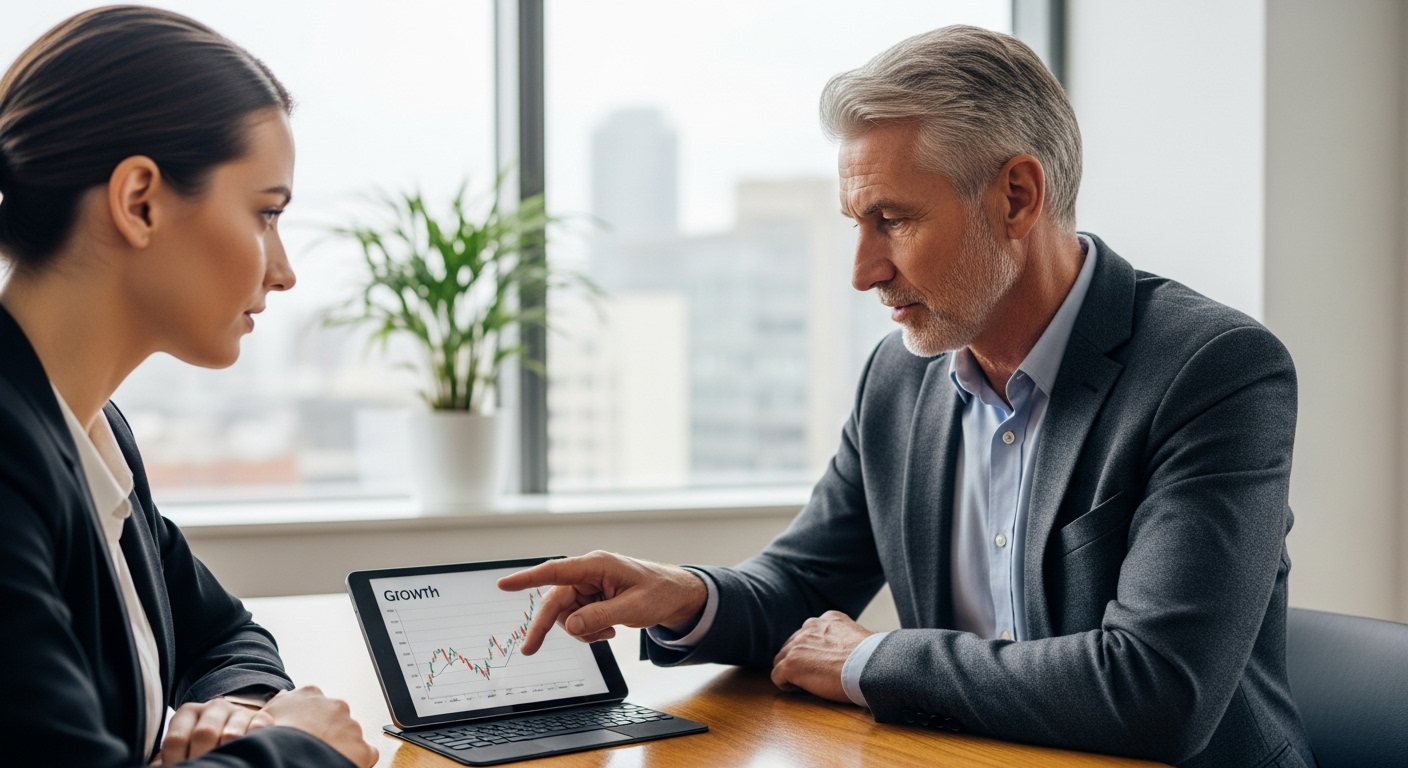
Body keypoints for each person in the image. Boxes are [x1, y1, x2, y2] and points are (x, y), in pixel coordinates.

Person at [498, 25, 1314, 768]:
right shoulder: (901, 377)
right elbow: (804, 587)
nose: (863, 271)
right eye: (856, 222)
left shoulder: (1214, 370)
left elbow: (1154, 692)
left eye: (891, 220)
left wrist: (868, 659)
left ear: (1017, 197)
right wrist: (686, 595)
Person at [0, 7, 377, 767]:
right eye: (265, 213)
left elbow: (222, 633)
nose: (283, 269)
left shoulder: (88, 429)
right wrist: (300, 749)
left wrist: (239, 717)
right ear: (140, 200)